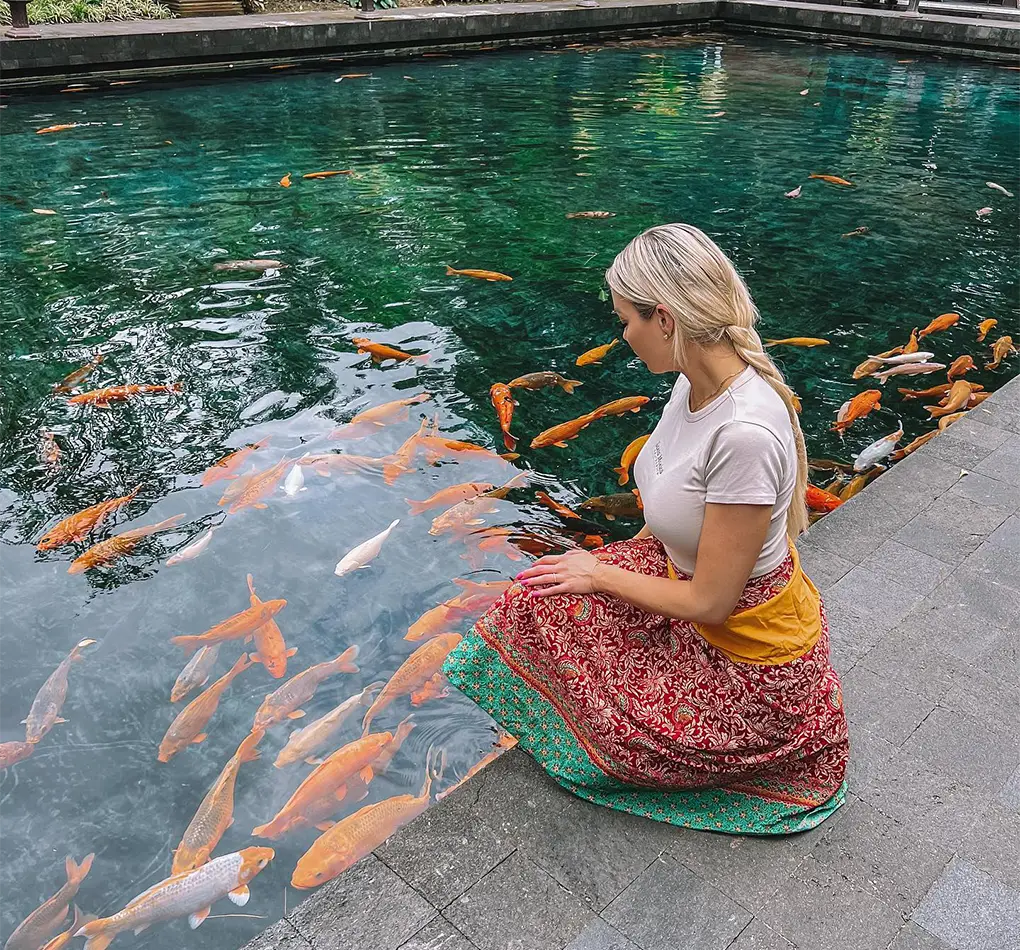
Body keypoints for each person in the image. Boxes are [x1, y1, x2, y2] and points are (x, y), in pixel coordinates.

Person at [442, 223, 849, 834]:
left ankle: (700, 753)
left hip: (747, 665)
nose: (623, 336)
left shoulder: (744, 435)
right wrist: (601, 572)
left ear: (665, 318)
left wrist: (599, 572)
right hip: (679, 574)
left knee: (617, 726)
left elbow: (712, 602)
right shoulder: (692, 383)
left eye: (625, 320)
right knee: (537, 598)